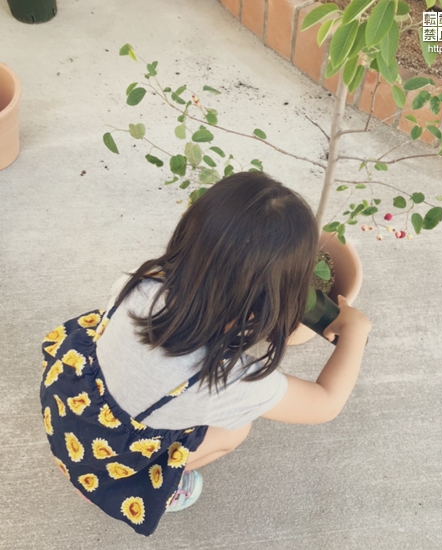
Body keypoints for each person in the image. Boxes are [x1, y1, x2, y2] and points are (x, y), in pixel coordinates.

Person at [40, 172, 371, 536]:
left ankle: (95, 473)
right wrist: (355, 331)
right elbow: (324, 403)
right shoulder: (226, 382)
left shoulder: (143, 282)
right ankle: (131, 485)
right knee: (235, 430)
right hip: (109, 460)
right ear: (269, 305)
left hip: (71, 403)